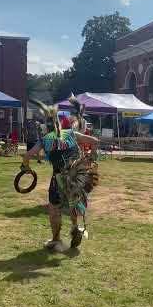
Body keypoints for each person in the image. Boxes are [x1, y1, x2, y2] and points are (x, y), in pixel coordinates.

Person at [22, 98, 99, 252]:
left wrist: (26, 168)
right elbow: (95, 140)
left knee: (54, 208)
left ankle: (56, 240)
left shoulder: (45, 140)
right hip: (78, 176)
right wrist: (92, 157)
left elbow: (28, 155)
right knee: (73, 203)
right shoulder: (71, 133)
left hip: (59, 178)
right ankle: (76, 228)